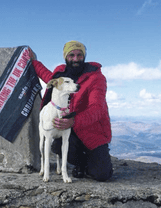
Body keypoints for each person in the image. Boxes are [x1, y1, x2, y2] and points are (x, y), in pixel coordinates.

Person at [29, 41, 113, 181]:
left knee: (102, 174)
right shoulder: (61, 72)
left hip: (91, 130)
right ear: (65, 57)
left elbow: (97, 108)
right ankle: (81, 164)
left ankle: (90, 163)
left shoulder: (96, 78)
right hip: (71, 129)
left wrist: (74, 121)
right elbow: (49, 78)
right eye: (71, 55)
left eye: (79, 55)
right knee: (57, 144)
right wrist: (34, 62)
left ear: (84, 56)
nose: (75, 59)